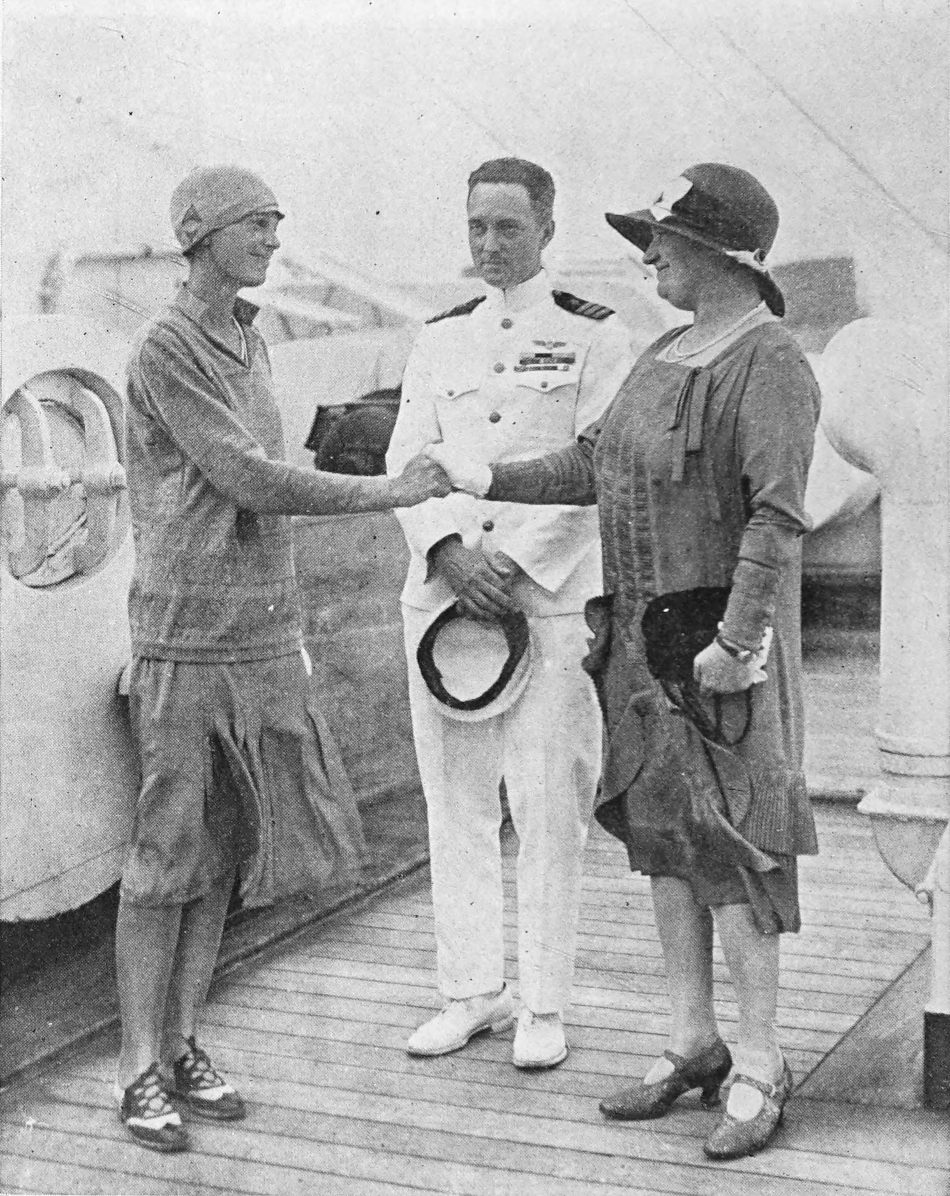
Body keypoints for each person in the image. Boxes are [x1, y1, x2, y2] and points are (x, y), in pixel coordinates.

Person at [429, 163, 819, 1159]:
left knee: (737, 852)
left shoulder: (768, 359)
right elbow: (590, 465)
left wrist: (739, 643)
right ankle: (692, 1042)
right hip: (644, 652)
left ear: (721, 253)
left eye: (663, 239)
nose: (648, 256)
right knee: (666, 844)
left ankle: (760, 1062)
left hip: (719, 654)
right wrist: (485, 471)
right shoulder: (660, 353)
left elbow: (776, 516)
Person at [116, 164, 449, 1153]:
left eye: (275, 221)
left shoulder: (250, 338)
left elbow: (264, 477)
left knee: (227, 845)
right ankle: (136, 1066)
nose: (271, 237)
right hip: (185, 635)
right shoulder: (168, 344)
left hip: (259, 633)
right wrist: (390, 490)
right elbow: (249, 478)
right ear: (202, 235)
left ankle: (183, 1042)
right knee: (166, 852)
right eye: (255, 223)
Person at [385, 157, 632, 1069]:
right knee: (454, 802)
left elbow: (598, 471)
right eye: (477, 227)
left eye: (509, 228)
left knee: (547, 800)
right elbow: (407, 460)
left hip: (548, 601)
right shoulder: (439, 337)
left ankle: (543, 1003)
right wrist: (449, 552)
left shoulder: (595, 336)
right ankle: (470, 991)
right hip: (444, 601)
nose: (489, 244)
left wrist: (516, 562)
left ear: (547, 230)